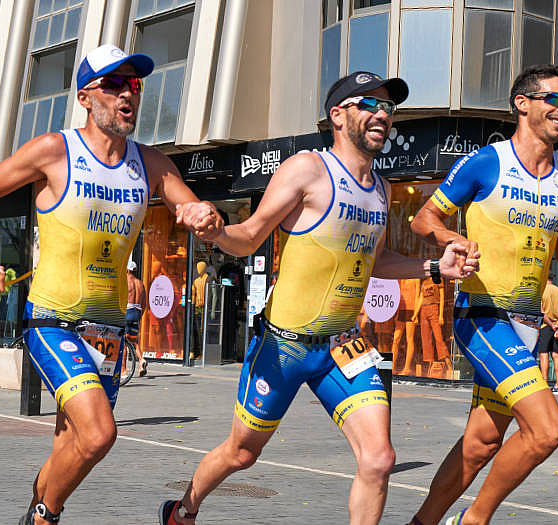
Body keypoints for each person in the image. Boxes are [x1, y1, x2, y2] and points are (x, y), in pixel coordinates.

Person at [160, 72, 478, 525]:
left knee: (380, 458)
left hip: (343, 347)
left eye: (388, 108)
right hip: (283, 346)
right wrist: (216, 233)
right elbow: (249, 238)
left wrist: (432, 267)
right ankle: (183, 509)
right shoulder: (308, 168)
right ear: (338, 114)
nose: (382, 115)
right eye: (369, 104)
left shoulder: (382, 189)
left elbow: (377, 259)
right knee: (242, 453)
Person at [0, 44, 221, 525]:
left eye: (134, 85)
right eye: (114, 85)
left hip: (110, 333)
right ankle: (44, 515)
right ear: (85, 97)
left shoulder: (153, 164)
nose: (127, 94)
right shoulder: (55, 151)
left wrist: (201, 212)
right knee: (99, 434)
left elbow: (189, 205)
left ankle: (38, 509)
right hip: (54, 321)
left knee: (72, 444)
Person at [404, 64, 558, 525]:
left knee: (481, 443)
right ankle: (474, 520)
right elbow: (423, 219)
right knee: (547, 430)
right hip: (484, 316)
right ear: (522, 103)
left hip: (529, 324)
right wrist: (453, 240)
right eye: (553, 99)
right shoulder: (487, 162)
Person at [537, 281, 558, 394]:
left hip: (546, 326)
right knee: (555, 354)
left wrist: (551, 325)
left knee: (543, 354)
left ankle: (545, 384)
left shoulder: (541, 291)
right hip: (557, 327)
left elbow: (541, 312)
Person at [125, 259, 148, 377]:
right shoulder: (140, 283)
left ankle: (123, 371)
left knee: (123, 341)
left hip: (127, 311)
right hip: (137, 312)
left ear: (127, 269)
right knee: (134, 340)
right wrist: (140, 316)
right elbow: (144, 303)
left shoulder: (125, 281)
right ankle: (141, 361)